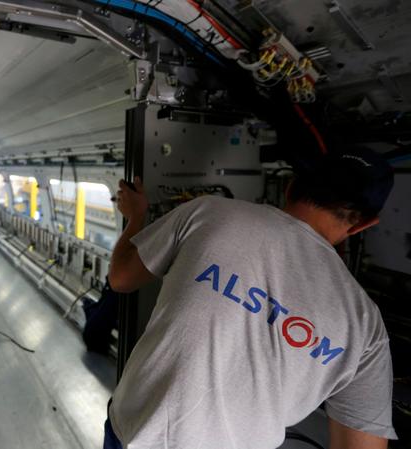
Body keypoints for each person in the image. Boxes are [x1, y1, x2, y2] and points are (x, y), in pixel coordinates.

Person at [105, 147, 397, 449]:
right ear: (364, 224)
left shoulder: (207, 212)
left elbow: (121, 278)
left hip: (132, 432)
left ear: (291, 186)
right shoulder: (366, 325)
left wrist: (136, 217)